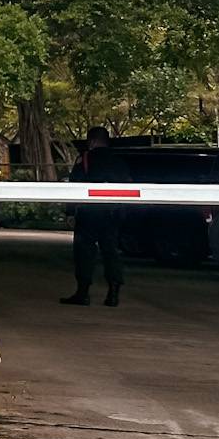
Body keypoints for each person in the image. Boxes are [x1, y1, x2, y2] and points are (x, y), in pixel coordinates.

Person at [63, 125, 128, 307]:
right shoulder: (118, 161)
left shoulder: (84, 159)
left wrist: (70, 211)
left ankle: (83, 293)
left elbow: (74, 187)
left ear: (91, 141)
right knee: (111, 252)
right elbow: (128, 187)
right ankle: (113, 294)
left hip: (88, 213)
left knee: (84, 252)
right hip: (112, 213)